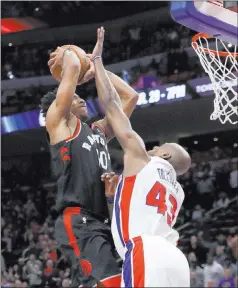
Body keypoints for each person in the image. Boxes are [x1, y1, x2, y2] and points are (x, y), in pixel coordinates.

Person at [92, 26, 191, 287]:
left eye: (162, 146)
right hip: (175, 261)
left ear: (166, 154)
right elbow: (139, 212)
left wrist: (97, 61)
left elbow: (113, 106)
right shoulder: (177, 191)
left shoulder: (143, 160)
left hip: (146, 252)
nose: (155, 147)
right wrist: (114, 198)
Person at [40, 33, 138, 287]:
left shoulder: (98, 132)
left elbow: (130, 97)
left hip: (105, 220)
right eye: (73, 97)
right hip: (79, 219)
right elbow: (71, 65)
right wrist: (72, 53)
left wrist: (97, 67)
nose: (81, 97)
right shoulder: (59, 124)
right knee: (112, 283)